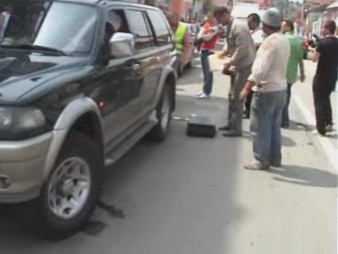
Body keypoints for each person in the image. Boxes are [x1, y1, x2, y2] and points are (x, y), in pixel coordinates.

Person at [240, 8, 290, 170]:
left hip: (266, 89)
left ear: (266, 25)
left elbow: (261, 69)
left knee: (260, 126)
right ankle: (275, 158)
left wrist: (247, 87)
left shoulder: (270, 42)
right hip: (281, 89)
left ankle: (261, 159)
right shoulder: (284, 40)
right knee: (274, 126)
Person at [214, 6, 256, 137]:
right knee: (231, 94)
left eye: (219, 18)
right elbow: (232, 45)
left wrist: (229, 62)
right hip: (238, 65)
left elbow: (242, 49)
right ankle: (231, 123)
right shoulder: (231, 25)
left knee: (237, 96)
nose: (219, 22)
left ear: (225, 14)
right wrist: (223, 54)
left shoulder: (238, 26)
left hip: (245, 65)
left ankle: (236, 128)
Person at [311, 20, 338, 136]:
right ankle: (329, 123)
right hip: (332, 76)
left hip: (321, 76)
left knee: (318, 102)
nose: (321, 30)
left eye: (323, 28)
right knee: (326, 99)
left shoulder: (322, 43)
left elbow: (314, 58)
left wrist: (313, 50)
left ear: (327, 28)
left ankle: (321, 128)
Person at [281, 19, 306, 128]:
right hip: (291, 74)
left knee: (280, 97)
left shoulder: (282, 39)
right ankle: (284, 119)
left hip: (281, 73)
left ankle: (283, 119)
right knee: (287, 95)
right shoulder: (297, 41)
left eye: (282, 26)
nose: (281, 27)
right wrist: (302, 73)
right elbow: (300, 59)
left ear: (288, 27)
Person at [243, 13, 265, 119]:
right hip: (249, 63)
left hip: (254, 64)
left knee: (251, 89)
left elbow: (259, 44)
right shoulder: (252, 32)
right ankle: (247, 109)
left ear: (255, 22)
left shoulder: (259, 33)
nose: (248, 24)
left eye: (249, 22)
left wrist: (248, 46)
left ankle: (248, 111)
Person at [196, 13, 220, 99]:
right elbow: (199, 36)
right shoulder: (206, 25)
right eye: (207, 17)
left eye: (210, 17)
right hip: (203, 50)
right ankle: (204, 90)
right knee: (204, 73)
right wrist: (202, 35)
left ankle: (207, 92)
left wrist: (202, 35)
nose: (207, 19)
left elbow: (207, 38)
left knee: (209, 73)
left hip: (210, 51)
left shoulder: (215, 28)